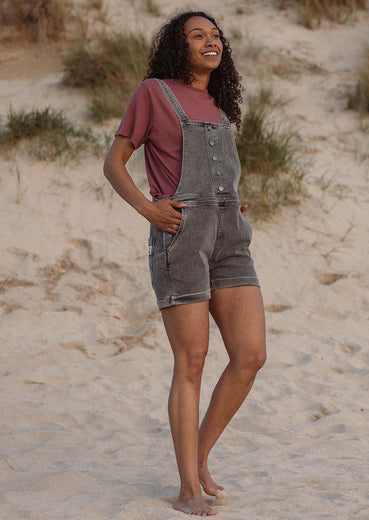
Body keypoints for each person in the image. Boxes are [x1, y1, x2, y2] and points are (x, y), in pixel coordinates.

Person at [103, 10, 266, 517]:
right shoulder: (153, 93)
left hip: (231, 238)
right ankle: (188, 489)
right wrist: (147, 207)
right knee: (192, 360)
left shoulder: (219, 102)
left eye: (215, 35)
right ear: (180, 46)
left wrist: (230, 201)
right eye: (198, 35)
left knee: (250, 355)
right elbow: (114, 162)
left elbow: (219, 171)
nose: (210, 41)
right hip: (181, 238)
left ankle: (198, 457)